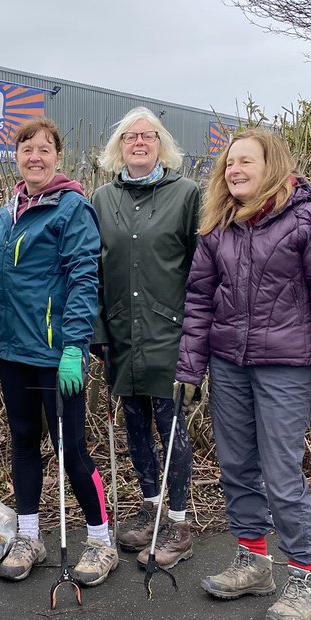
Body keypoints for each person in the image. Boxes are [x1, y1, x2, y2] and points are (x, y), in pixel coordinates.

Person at [175, 128, 311, 620]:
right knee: (236, 464)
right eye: (229, 163)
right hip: (229, 364)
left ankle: (306, 578)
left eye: (245, 162)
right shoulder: (219, 226)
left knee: (281, 474)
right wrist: (190, 367)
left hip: (286, 367)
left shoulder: (308, 220)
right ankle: (253, 562)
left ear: (272, 165)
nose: (234, 170)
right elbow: (198, 301)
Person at [0, 116, 118, 587]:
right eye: (27, 149)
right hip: (14, 350)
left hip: (55, 354)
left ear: (57, 157)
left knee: (72, 451)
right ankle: (29, 535)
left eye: (44, 149)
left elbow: (85, 280)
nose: (35, 157)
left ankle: (101, 540)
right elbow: (5, 285)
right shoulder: (9, 212)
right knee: (23, 441)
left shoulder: (71, 209)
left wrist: (74, 347)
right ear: (17, 156)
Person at [91, 107, 201, 570]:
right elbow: (90, 270)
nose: (139, 142)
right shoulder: (100, 199)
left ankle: (179, 524)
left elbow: (202, 272)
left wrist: (197, 337)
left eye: (149, 136)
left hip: (168, 333)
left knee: (171, 426)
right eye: (131, 136)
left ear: (162, 144)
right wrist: (97, 332)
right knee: (135, 425)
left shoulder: (187, 195)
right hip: (121, 333)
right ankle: (150, 507)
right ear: (119, 146)